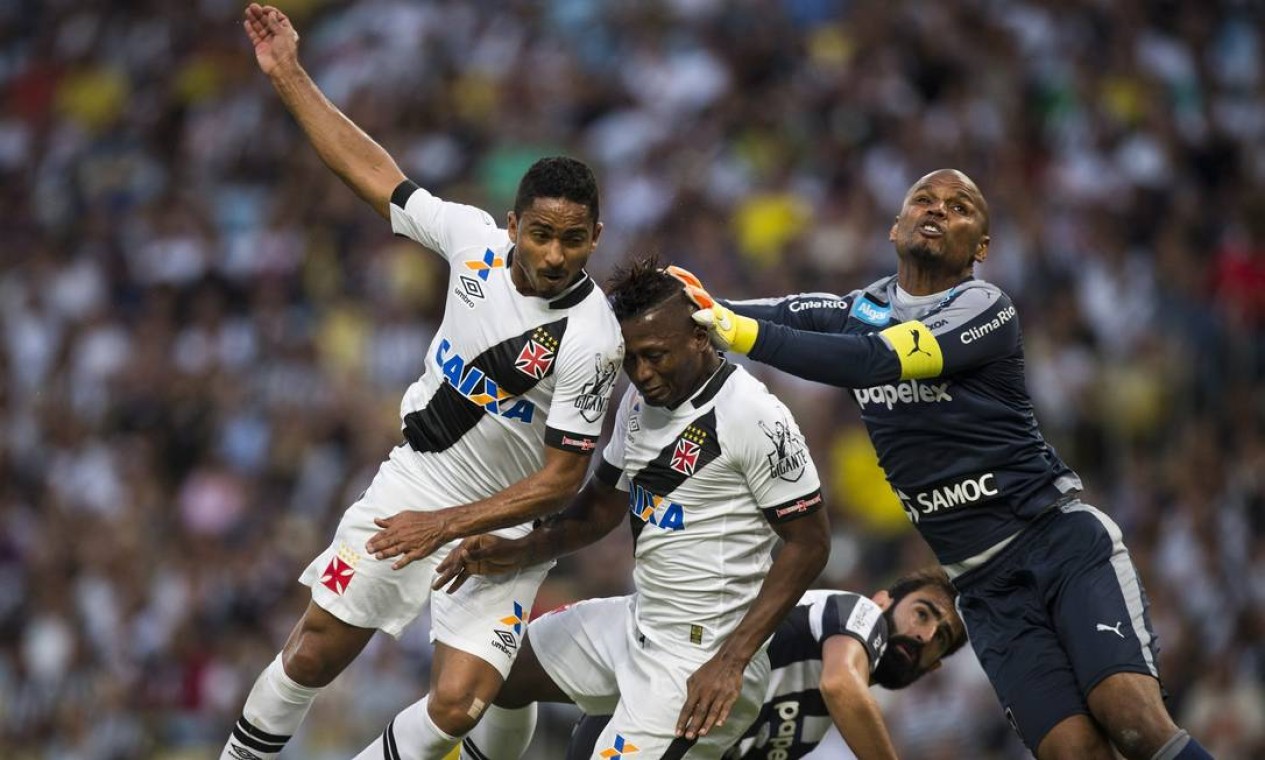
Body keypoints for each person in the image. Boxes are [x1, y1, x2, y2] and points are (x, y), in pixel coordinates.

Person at [667, 169, 1212, 760]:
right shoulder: (861, 309)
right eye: (923, 200)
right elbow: (723, 309)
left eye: (959, 208)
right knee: (1070, 753)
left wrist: (738, 332)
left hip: (1056, 543)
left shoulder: (985, 307)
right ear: (894, 226)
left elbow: (874, 361)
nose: (937, 210)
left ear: (981, 247)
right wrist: (671, 306)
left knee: (1129, 716)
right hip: (980, 589)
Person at [221, 6, 623, 760]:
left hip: (503, 523)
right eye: (541, 233)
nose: (556, 253)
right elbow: (374, 173)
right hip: (415, 481)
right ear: (512, 225)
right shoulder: (469, 241)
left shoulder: (592, 340)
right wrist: (288, 75)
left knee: (463, 700)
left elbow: (563, 479)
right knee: (313, 653)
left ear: (595, 238)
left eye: (574, 239)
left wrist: (449, 528)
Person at [425, 258, 831, 759]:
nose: (642, 373)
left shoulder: (753, 415)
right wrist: (518, 549)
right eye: (631, 359)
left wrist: (732, 661)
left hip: (702, 658)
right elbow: (599, 510)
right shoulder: (640, 405)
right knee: (498, 671)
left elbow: (810, 544)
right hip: (641, 624)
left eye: (656, 355)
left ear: (700, 337)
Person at [568, 567, 969, 760]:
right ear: (883, 601)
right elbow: (841, 685)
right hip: (638, 730)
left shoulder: (815, 727)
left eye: (942, 639)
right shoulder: (859, 613)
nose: (925, 635)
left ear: (934, 668)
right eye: (923, 614)